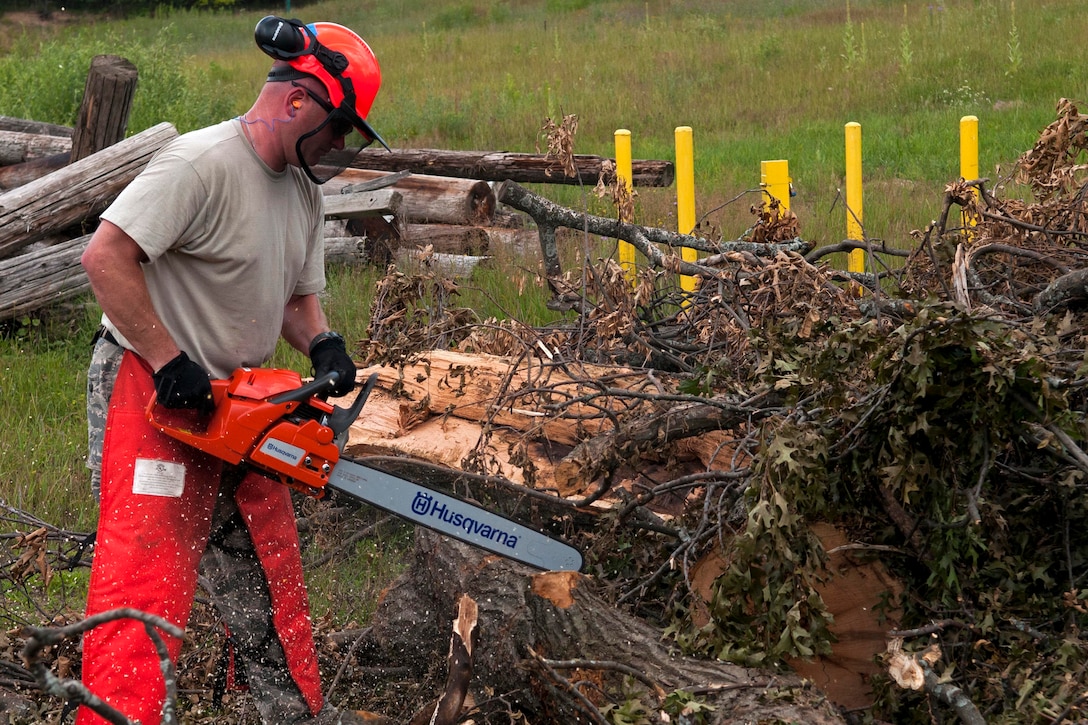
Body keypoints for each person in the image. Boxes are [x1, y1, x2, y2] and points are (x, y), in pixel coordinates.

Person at [78, 17, 388, 725]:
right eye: (338, 128)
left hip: (235, 401)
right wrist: (166, 358)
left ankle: (295, 713)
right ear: (297, 101)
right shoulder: (200, 164)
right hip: (149, 387)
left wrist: (322, 345)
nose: (339, 146)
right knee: (146, 574)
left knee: (269, 561)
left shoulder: (303, 189)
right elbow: (105, 258)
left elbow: (294, 299)